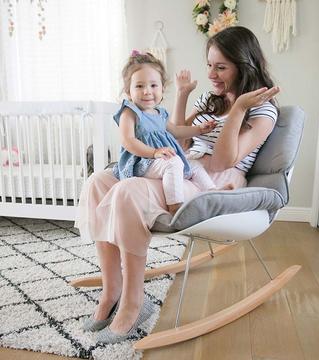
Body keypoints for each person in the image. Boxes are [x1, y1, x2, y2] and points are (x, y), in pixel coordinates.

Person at [75, 26, 280, 344]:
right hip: (184, 167)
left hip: (213, 180)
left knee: (127, 191)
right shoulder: (210, 98)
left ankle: (133, 302)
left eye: (220, 67)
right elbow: (179, 137)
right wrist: (184, 98)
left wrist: (238, 108)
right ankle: (111, 288)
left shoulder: (262, 108)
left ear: (244, 64)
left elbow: (226, 160)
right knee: (99, 181)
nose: (211, 73)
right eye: (209, 64)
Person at [112, 51, 231, 215]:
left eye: (153, 85)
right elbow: (128, 140)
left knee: (194, 166)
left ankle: (213, 192)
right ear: (128, 91)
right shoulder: (130, 112)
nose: (147, 91)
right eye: (139, 86)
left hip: (160, 159)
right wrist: (154, 152)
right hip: (141, 162)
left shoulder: (160, 113)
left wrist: (199, 129)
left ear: (162, 88)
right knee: (173, 162)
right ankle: (175, 207)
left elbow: (176, 131)